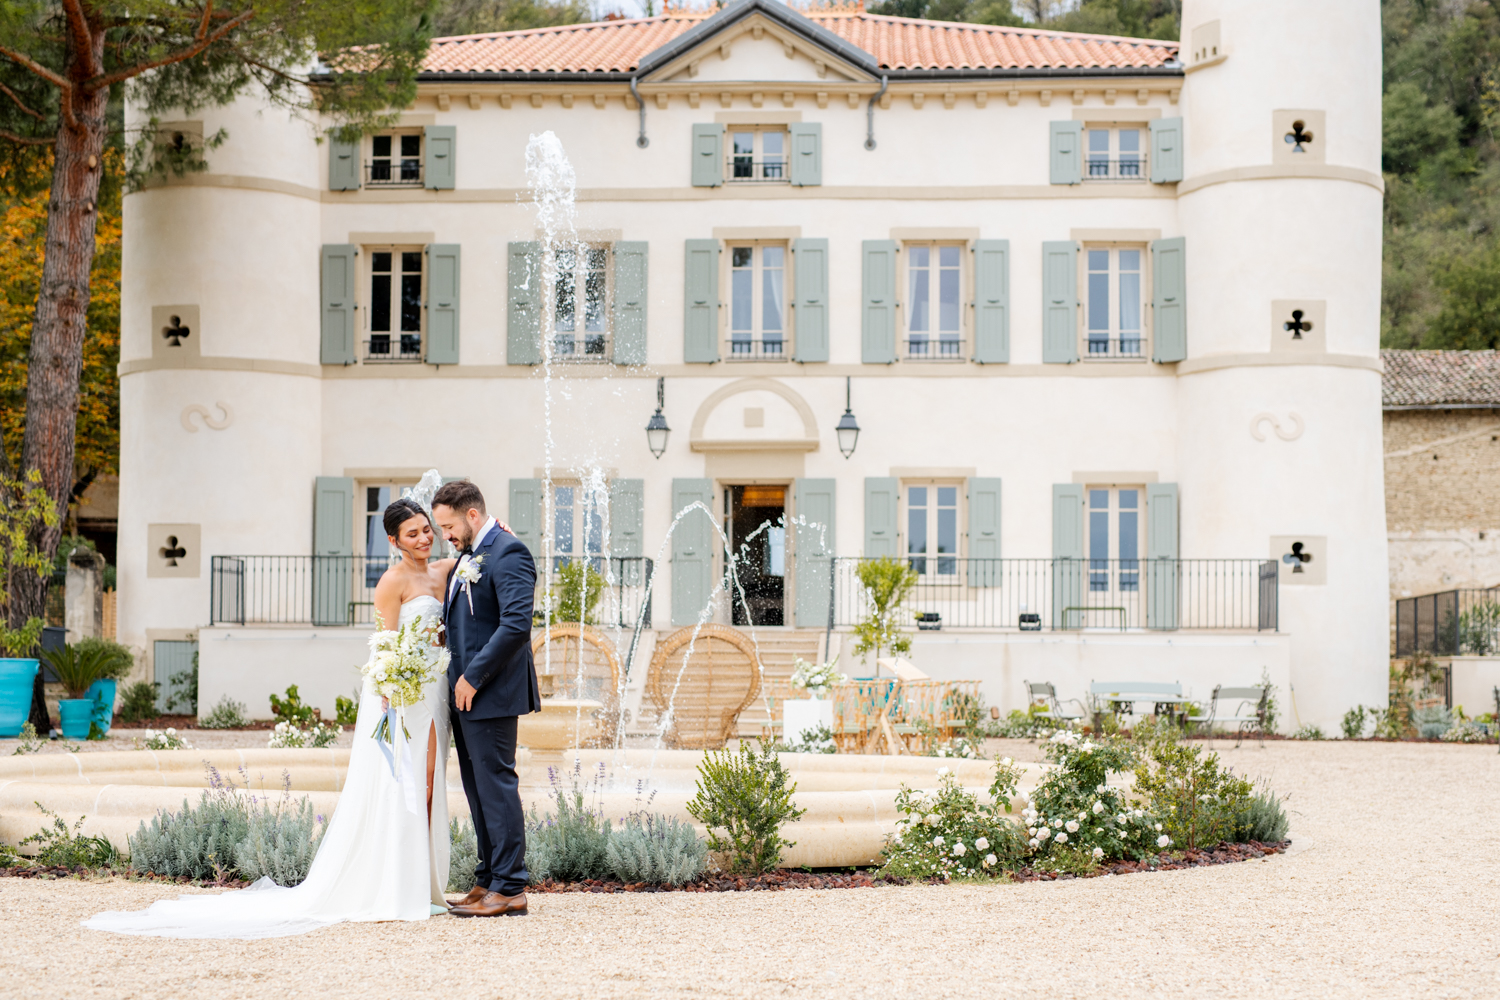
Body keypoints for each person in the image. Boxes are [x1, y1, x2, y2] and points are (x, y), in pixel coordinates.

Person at [84, 474, 456, 939]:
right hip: (401, 693)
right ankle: (397, 884)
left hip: (435, 690)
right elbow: (382, 645)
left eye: (426, 529)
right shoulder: (392, 581)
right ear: (392, 541)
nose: (423, 538)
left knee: (430, 779)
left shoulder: (443, 571)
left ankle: (422, 881)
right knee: (403, 782)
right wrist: (387, 688)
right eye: (412, 533)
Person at [431, 479, 540, 917]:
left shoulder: (509, 552)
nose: (445, 535)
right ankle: (488, 879)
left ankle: (511, 887)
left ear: (471, 515)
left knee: (496, 786)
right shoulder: (471, 554)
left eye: (448, 525)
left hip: (489, 691)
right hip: (465, 694)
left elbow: (516, 625)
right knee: (478, 791)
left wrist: (473, 677)